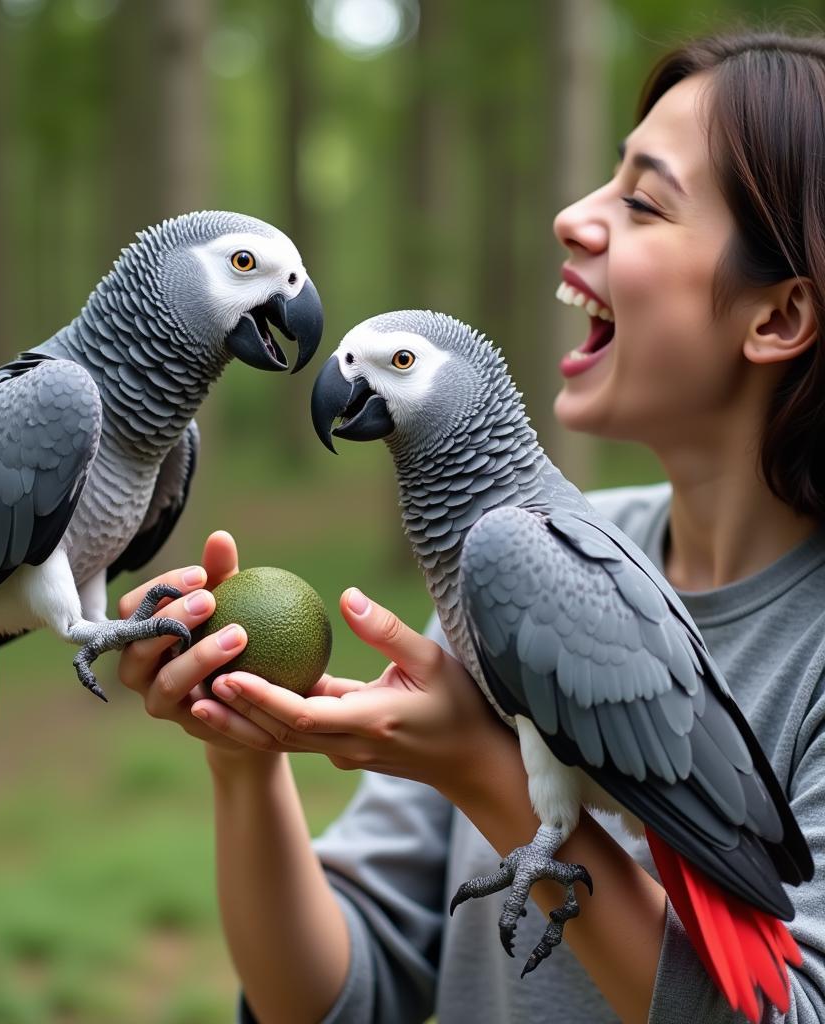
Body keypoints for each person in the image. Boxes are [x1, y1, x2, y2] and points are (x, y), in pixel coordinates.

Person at [117, 29, 825, 1023]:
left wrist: (481, 774)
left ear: (778, 315)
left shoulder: (513, 557)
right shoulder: (497, 565)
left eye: (644, 198)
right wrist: (243, 751)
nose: (570, 216)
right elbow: (338, 997)